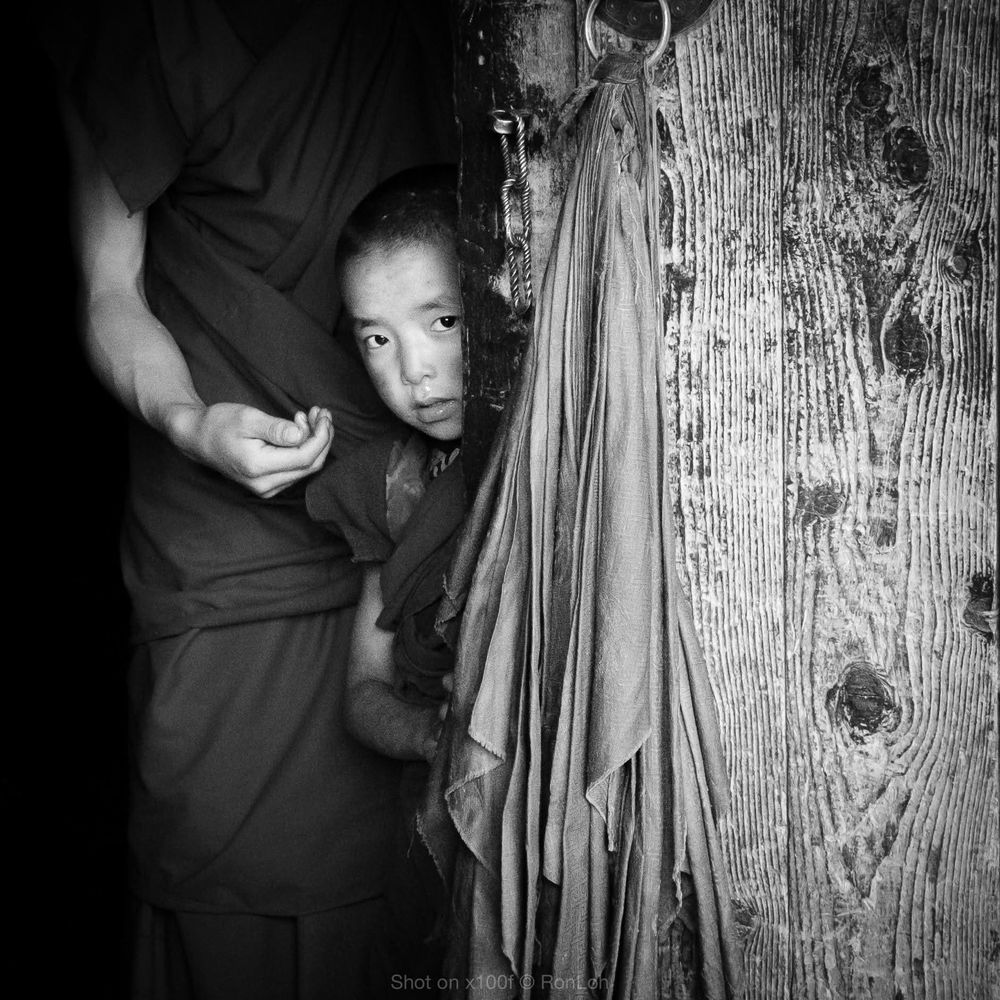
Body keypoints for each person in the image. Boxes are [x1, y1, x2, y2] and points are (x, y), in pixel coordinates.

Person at [40, 2, 457, 997]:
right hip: (224, 538)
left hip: (416, 509)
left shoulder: (419, 28)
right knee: (228, 872)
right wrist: (188, 420)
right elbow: (108, 291)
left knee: (428, 888)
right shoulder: (148, 29)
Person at [304, 169, 467, 981]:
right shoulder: (391, 488)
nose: (415, 370)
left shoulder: (560, 452)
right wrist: (437, 737)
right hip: (446, 811)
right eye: (377, 338)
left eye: (443, 320)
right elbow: (362, 695)